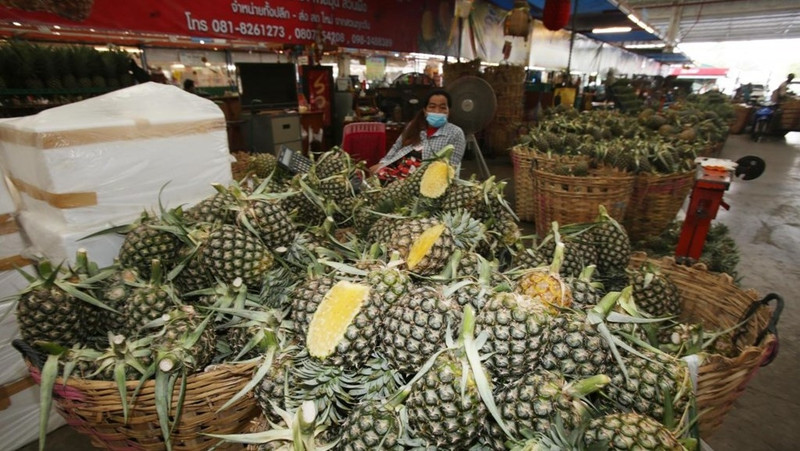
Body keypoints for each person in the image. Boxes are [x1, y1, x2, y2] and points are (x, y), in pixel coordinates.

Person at [370, 89, 465, 181]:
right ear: (425, 110)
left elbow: (451, 166)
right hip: (397, 170)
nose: (437, 111)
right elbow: (396, 147)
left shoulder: (455, 133)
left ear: (448, 111)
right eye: (432, 106)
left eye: (442, 107)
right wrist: (382, 163)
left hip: (425, 180)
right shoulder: (414, 126)